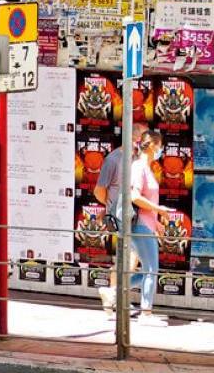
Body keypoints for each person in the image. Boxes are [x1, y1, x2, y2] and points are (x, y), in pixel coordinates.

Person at [91, 123, 144, 312]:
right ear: (135, 138)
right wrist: (111, 207)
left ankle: (113, 300)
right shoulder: (113, 159)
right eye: (144, 137)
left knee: (126, 257)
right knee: (130, 256)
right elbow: (99, 190)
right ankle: (114, 295)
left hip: (133, 214)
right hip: (121, 216)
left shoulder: (137, 158)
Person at [128, 130, 175, 322]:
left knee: (150, 270)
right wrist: (159, 210)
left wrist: (156, 222)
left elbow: (146, 202)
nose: (161, 150)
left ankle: (114, 292)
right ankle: (146, 313)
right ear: (153, 145)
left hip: (147, 225)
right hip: (140, 226)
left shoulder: (147, 168)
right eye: (160, 146)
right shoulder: (139, 167)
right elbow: (135, 197)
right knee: (150, 269)